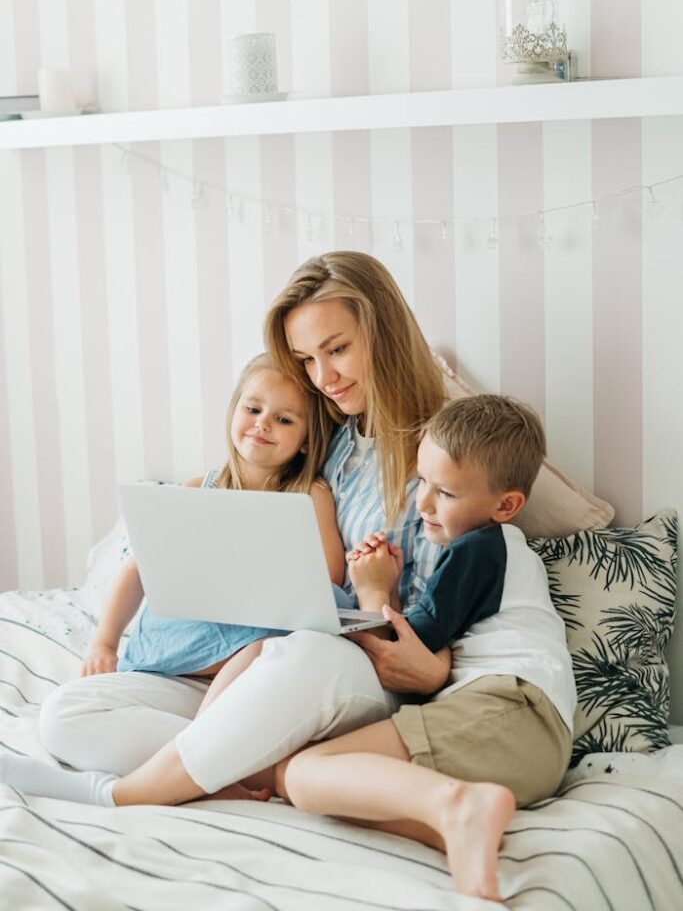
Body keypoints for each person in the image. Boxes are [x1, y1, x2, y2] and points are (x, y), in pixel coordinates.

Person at [2, 252, 449, 806]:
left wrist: (402, 627)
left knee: (301, 651)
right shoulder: (337, 432)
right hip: (238, 684)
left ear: (383, 334)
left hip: (336, 664)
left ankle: (122, 795)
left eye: (336, 350)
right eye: (309, 359)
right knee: (65, 714)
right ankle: (265, 767)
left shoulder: (442, 450)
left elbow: (435, 602)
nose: (323, 378)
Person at [0, 352, 345, 802]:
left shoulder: (308, 495)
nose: (262, 424)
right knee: (62, 715)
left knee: (255, 674)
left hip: (246, 680)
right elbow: (135, 573)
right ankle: (233, 766)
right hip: (173, 678)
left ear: (304, 440)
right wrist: (104, 643)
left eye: (283, 420)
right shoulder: (195, 493)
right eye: (253, 409)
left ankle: (207, 768)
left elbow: (330, 578)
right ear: (234, 411)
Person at [275, 394, 577, 902]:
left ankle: (459, 810)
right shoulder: (489, 553)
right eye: (422, 483)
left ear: (505, 506)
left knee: (302, 773)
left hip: (512, 712)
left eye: (446, 493)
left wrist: (373, 589)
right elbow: (419, 649)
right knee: (328, 787)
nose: (422, 505)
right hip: (519, 739)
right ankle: (460, 828)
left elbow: (404, 646)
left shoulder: (483, 547)